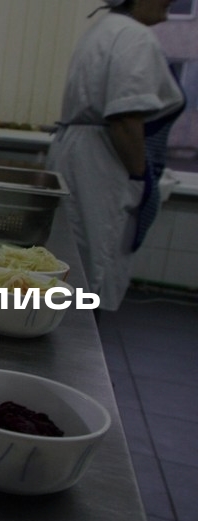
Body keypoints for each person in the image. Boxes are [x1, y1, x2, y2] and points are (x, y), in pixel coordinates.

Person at [46, 0, 185, 312]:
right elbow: (125, 118)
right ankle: (79, 334)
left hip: (81, 154)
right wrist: (138, 176)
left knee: (75, 258)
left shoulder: (104, 30)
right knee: (91, 266)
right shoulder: (134, 36)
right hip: (102, 162)